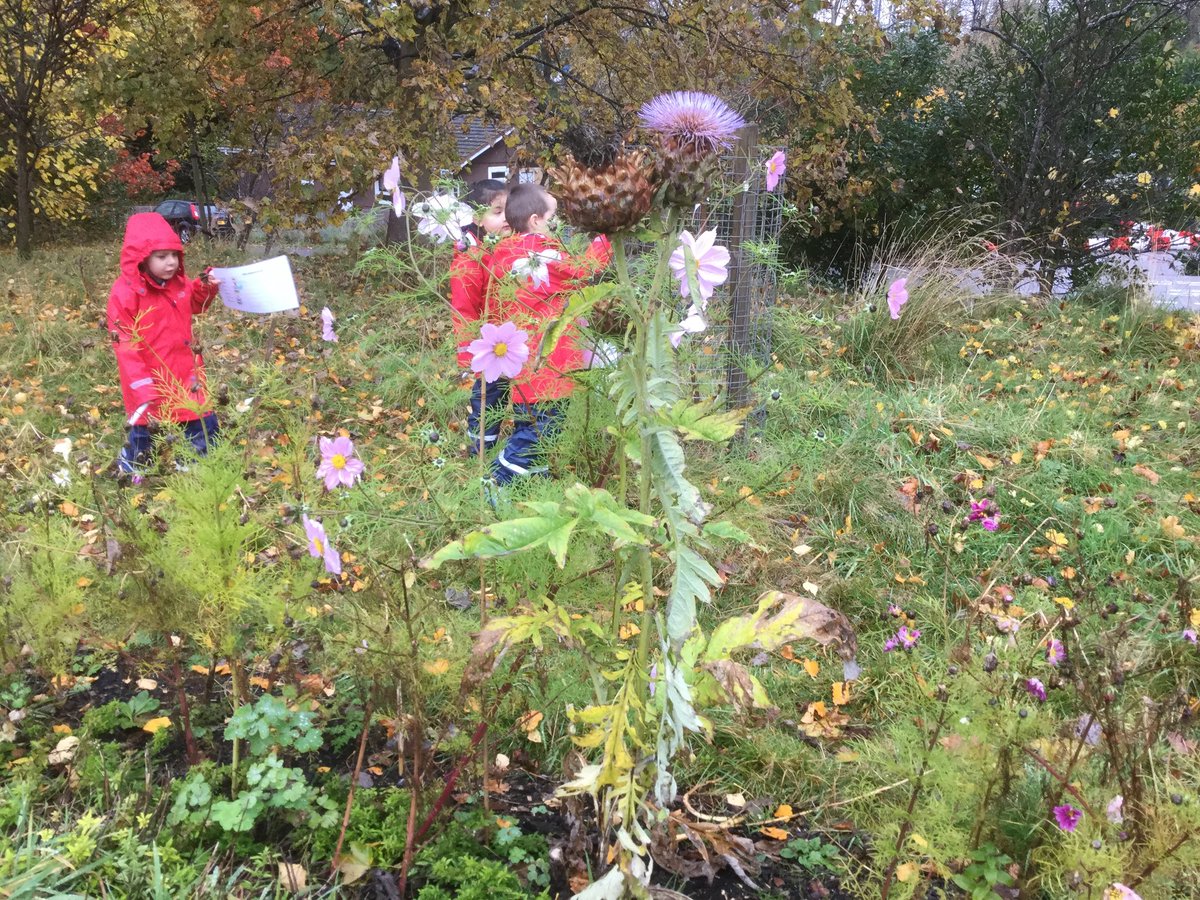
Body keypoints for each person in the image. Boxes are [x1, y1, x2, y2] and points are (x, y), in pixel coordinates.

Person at [482, 182, 611, 484]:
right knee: (538, 434)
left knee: (533, 431)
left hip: (521, 365)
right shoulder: (543, 255)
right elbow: (585, 268)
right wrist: (609, 233)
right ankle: (494, 483)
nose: (558, 223)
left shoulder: (500, 255)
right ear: (536, 220)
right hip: (550, 366)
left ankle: (528, 489)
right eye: (554, 216)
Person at [107, 212, 222, 480]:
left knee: (200, 418)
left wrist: (206, 286)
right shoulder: (125, 293)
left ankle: (195, 464)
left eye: (174, 255)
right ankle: (136, 466)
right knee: (146, 427)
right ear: (141, 258)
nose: (170, 262)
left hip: (185, 370)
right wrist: (140, 384)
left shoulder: (179, 285)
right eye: (161, 257)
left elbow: (195, 303)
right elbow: (123, 342)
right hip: (149, 374)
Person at [451, 180, 511, 450]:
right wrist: (467, 352)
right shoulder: (471, 257)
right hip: (488, 348)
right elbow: (464, 309)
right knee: (488, 400)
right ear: (476, 217)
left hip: (512, 341)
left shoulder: (506, 247)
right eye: (497, 213)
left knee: (516, 395)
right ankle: (480, 450)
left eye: (510, 210)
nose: (507, 218)